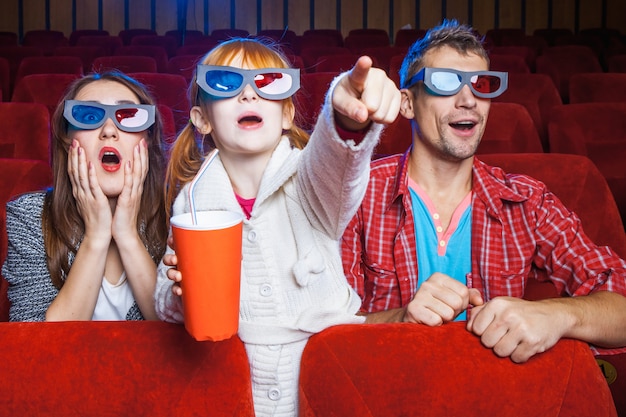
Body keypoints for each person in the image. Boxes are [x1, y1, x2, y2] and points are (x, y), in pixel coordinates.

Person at [341, 19, 626, 363]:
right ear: (407, 104)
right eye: (445, 83)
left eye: (482, 84)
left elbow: (620, 303)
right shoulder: (356, 194)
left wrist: (556, 315)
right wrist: (399, 319)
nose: (469, 100)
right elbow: (320, 329)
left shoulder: (526, 201)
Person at [155, 37, 400, 416]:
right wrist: (180, 296)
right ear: (202, 119)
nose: (249, 95)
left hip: (328, 382)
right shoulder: (190, 200)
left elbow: (336, 163)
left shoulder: (311, 181)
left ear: (286, 116)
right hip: (234, 390)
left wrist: (347, 114)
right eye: (225, 83)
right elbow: (163, 303)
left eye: (268, 82)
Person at [3, 71, 168, 322]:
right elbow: (39, 344)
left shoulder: (179, 213)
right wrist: (97, 236)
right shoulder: (30, 216)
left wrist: (126, 235)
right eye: (89, 117)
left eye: (129, 117)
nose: (109, 130)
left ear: (147, 138)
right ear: (69, 141)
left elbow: (178, 343)